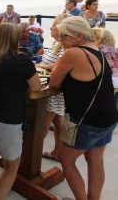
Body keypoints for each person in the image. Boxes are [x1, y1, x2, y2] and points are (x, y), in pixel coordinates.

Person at [49, 17, 118, 200]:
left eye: (64, 36)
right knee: (95, 161)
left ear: (79, 36)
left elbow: (53, 82)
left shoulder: (73, 53)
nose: (60, 40)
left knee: (66, 158)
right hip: (107, 116)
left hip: (86, 120)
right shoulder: (98, 49)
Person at [0, 23, 41, 200]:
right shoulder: (21, 60)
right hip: (8, 120)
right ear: (14, 38)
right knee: (12, 166)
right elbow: (36, 88)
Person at [38, 14, 70, 161]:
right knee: (58, 122)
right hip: (55, 86)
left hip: (55, 89)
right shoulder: (56, 43)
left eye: (53, 25)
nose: (50, 28)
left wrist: (40, 65)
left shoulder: (65, 46)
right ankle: (57, 152)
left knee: (42, 123)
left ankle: (31, 155)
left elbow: (59, 65)